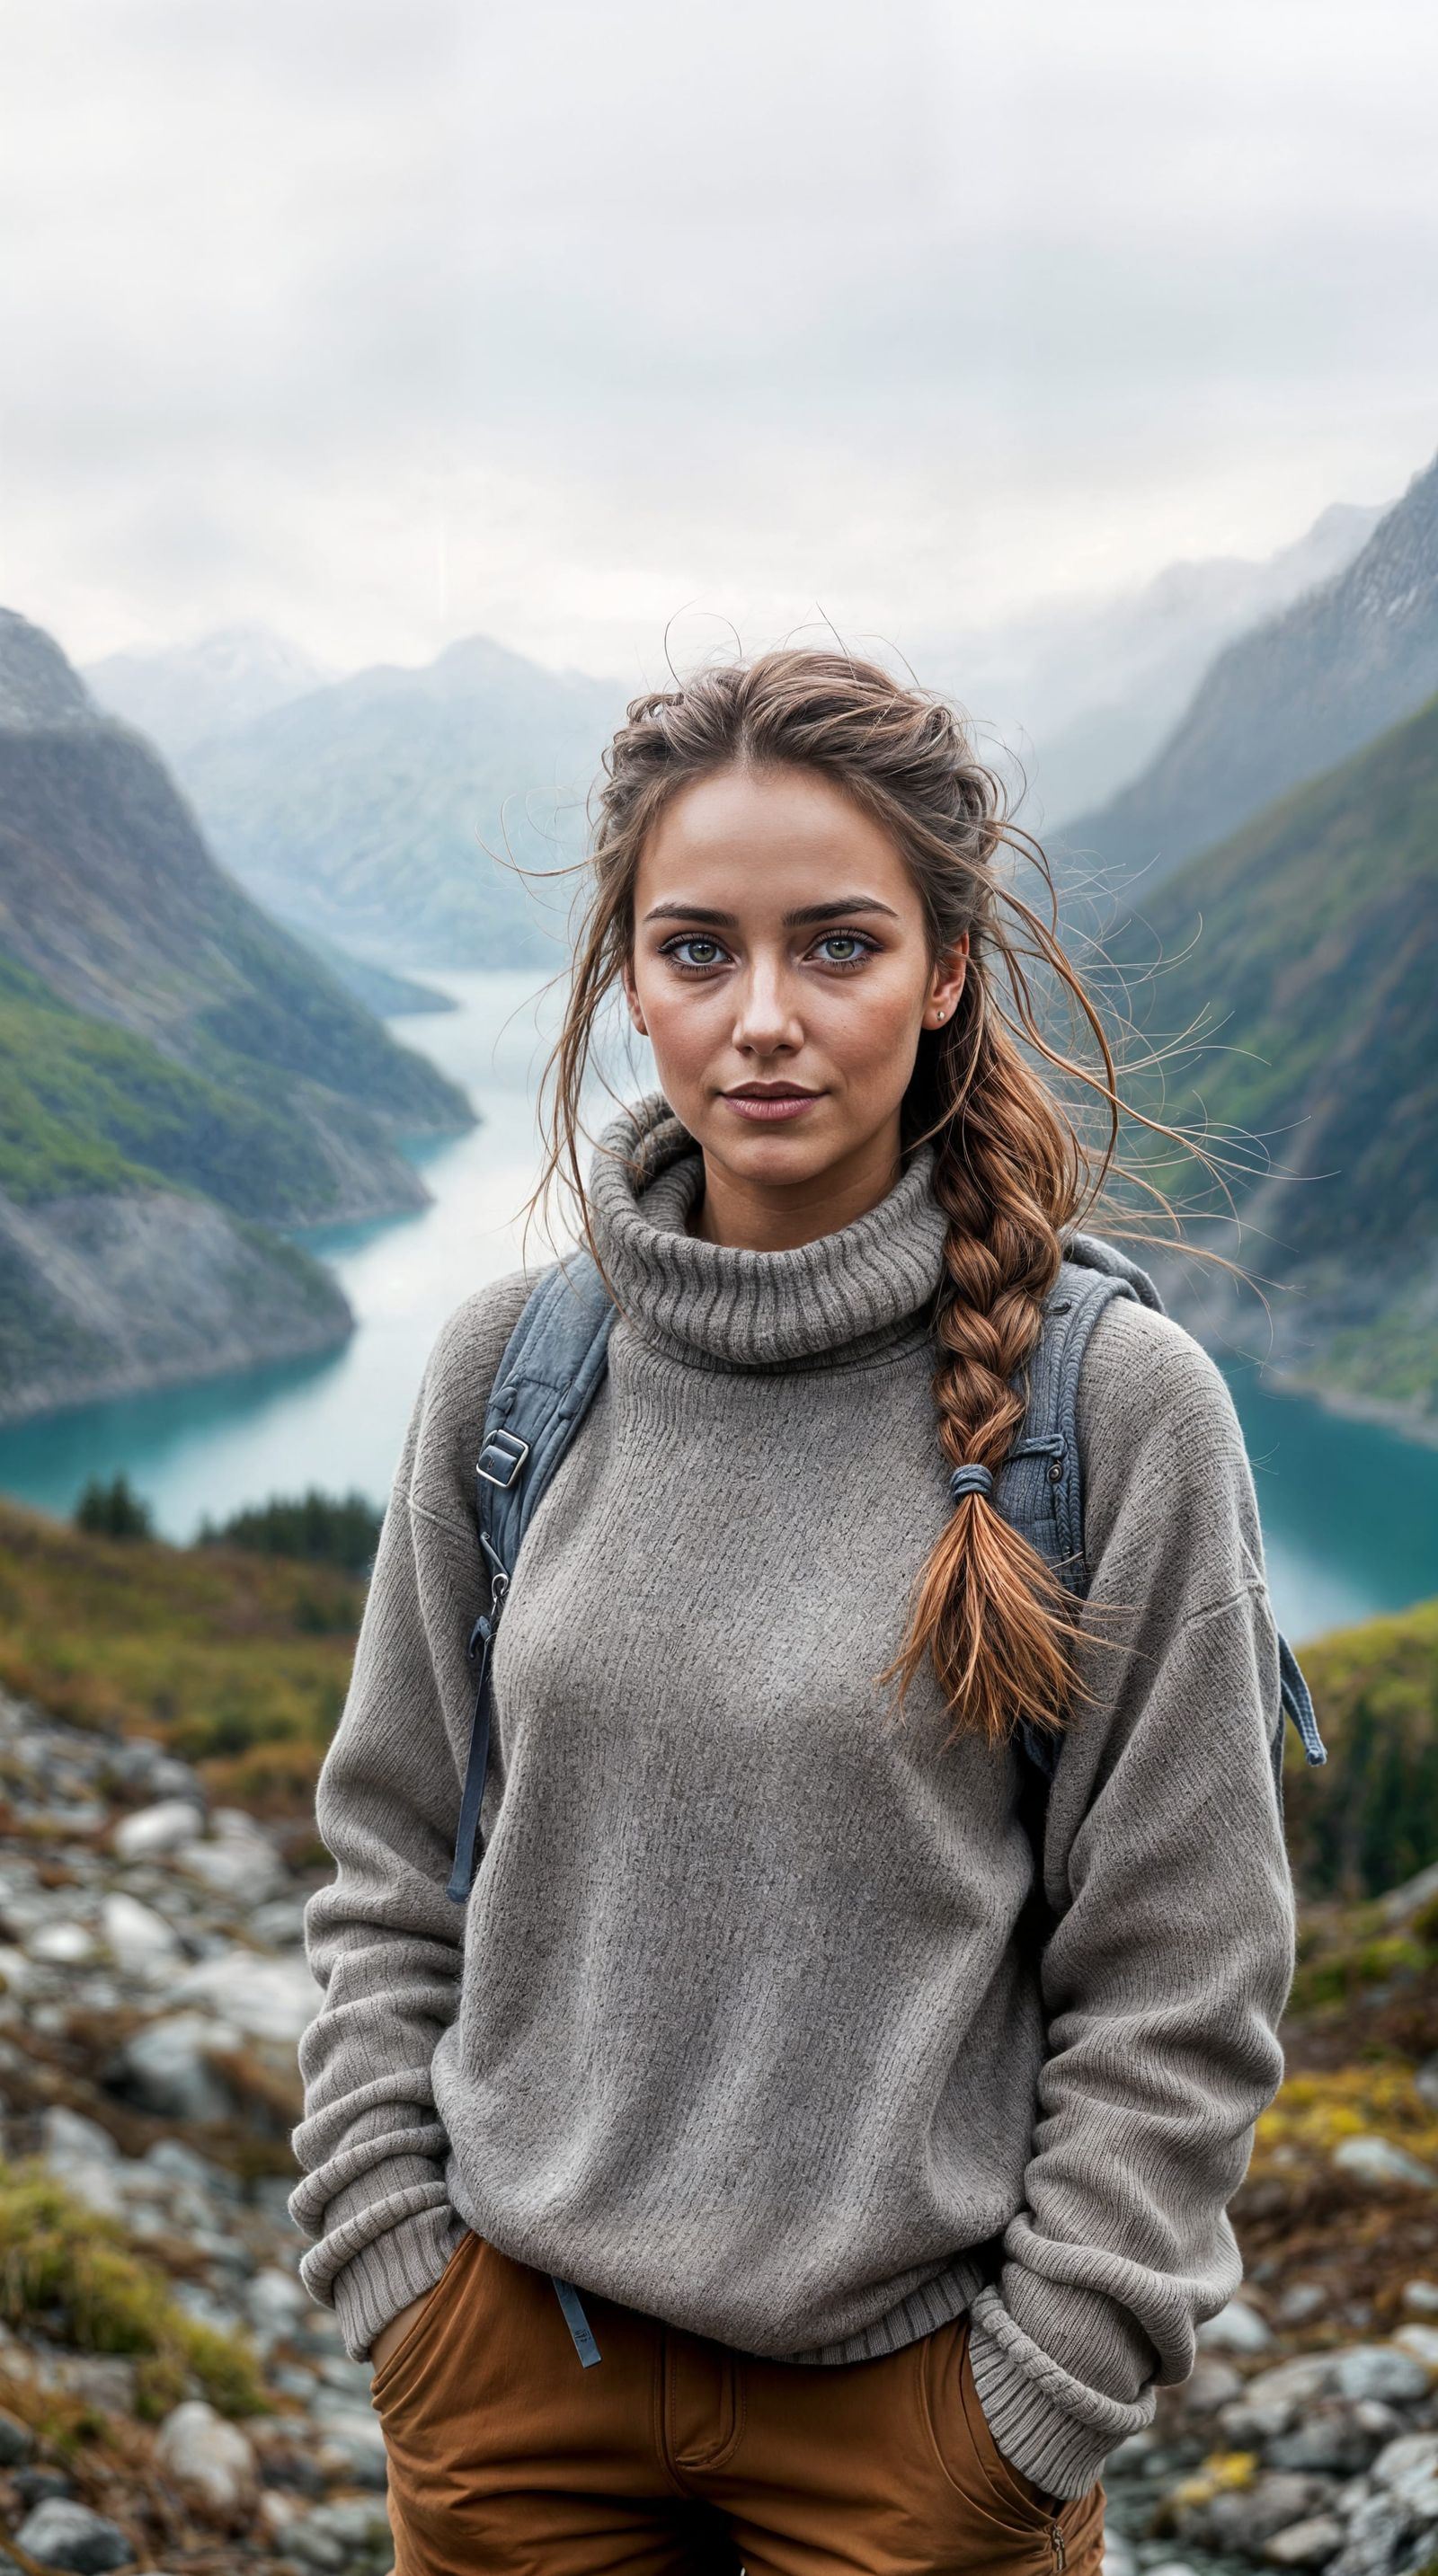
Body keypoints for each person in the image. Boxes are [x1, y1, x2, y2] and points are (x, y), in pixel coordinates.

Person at [288, 648, 1296, 2575]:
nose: (760, 1020)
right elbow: (388, 1851)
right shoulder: (514, 1369)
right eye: (695, 952)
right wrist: (399, 2274)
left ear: (939, 972)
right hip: (511, 2383)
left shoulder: (1111, 1411)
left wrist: (1031, 2403)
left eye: (833, 948)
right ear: (626, 980)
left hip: (914, 2430)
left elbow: (1181, 1961)